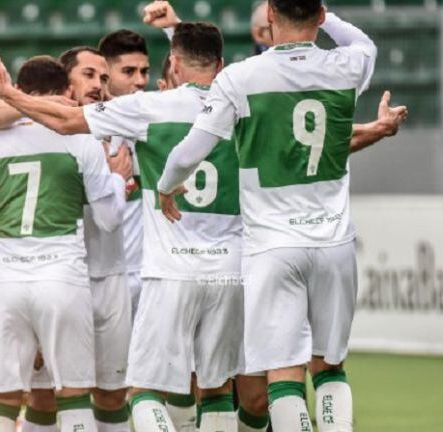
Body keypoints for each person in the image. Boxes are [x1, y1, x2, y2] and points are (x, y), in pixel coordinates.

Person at [156, 1, 381, 430]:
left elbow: (189, 152)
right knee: (330, 365)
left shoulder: (239, 77)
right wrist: (326, 15)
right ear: (318, 16)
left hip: (272, 247)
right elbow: (363, 41)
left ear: (271, 18)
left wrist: (166, 186)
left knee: (283, 372)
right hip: (333, 242)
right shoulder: (348, 64)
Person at [0, 55, 131, 432]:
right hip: (63, 278)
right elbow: (109, 219)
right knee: (74, 394)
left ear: (18, 91)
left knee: (2, 399)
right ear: (66, 91)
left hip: (8, 283)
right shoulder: (80, 140)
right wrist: (115, 179)